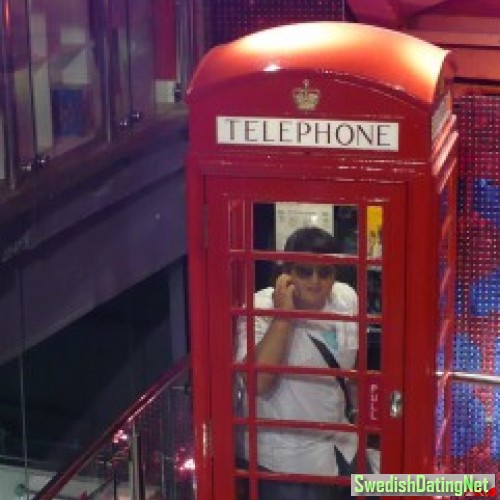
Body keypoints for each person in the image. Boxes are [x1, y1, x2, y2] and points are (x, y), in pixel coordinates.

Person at [235, 226, 360, 500]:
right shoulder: (258, 309)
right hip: (286, 462)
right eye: (304, 272)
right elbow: (258, 383)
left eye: (325, 272)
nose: (315, 281)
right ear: (287, 273)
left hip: (343, 448)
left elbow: (352, 369)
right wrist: (284, 316)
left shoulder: (347, 299)